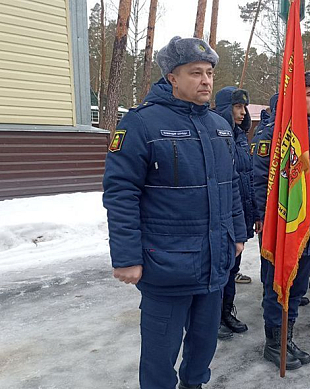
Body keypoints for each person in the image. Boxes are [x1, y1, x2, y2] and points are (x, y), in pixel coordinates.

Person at [102, 36, 247, 389]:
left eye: (209, 72)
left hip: (215, 259)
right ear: (172, 77)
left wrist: (238, 234)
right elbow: (121, 193)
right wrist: (125, 257)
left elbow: (232, 186)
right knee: (160, 354)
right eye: (195, 72)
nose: (206, 80)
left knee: (203, 345)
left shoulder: (219, 125)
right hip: (166, 265)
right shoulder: (141, 124)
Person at [254, 71, 310, 369]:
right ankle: (273, 342)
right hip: (283, 229)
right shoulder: (271, 136)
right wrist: (263, 221)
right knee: (277, 288)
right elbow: (259, 182)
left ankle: (287, 338)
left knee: (299, 288)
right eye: (309, 94)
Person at [214, 87, 258, 339]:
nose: (243, 112)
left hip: (240, 212)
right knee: (220, 270)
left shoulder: (241, 136)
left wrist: (253, 214)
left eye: (244, 107)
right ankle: (214, 316)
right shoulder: (216, 134)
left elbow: (248, 177)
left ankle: (226, 311)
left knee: (232, 268)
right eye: (238, 107)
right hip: (221, 216)